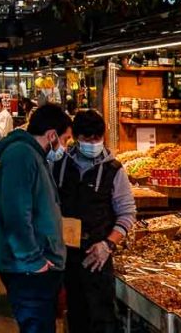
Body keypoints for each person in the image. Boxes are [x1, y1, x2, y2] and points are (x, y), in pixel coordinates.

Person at [52, 110, 135, 333]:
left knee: (102, 317)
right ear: (76, 138)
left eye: (97, 138)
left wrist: (108, 245)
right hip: (65, 253)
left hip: (97, 254)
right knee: (75, 313)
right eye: (87, 139)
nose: (93, 143)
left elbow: (127, 213)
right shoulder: (58, 166)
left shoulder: (114, 171)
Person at [0, 103, 72, 333]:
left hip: (36, 266)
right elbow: (16, 214)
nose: (65, 147)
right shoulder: (22, 156)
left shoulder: (34, 155)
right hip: (28, 271)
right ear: (51, 135)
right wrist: (33, 260)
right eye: (65, 139)